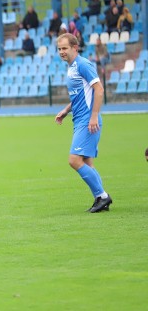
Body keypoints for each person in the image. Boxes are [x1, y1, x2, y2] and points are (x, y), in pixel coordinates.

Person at [54, 33, 112, 213]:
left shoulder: (83, 64)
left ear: (75, 48)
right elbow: (81, 96)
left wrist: (94, 116)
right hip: (80, 119)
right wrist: (66, 110)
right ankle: (100, 199)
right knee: (87, 163)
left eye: (65, 48)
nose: (62, 52)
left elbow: (99, 89)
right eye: (59, 49)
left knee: (74, 160)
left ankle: (102, 196)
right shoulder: (71, 68)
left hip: (88, 121)